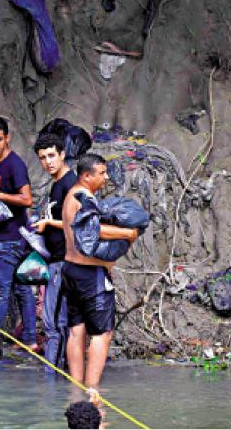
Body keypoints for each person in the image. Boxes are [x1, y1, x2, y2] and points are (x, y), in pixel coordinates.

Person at [62, 154, 138, 390]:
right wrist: (127, 234)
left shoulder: (71, 196)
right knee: (101, 333)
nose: (106, 177)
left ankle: (76, 390)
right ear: (87, 176)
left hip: (71, 270)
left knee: (77, 331)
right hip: (90, 274)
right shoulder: (83, 197)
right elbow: (94, 231)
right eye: (102, 173)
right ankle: (92, 391)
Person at [0, 116, 37, 357]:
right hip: (11, 234)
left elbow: (27, 199)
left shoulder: (14, 164)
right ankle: (30, 340)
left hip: (12, 237)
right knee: (22, 289)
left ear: (8, 138)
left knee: (1, 290)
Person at [32, 133, 77, 370]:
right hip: (55, 261)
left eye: (51, 156)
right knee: (56, 322)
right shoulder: (57, 184)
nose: (48, 162)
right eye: (42, 158)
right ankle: (59, 375)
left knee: (54, 323)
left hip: (65, 262)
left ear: (62, 155)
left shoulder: (70, 184)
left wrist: (49, 224)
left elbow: (78, 221)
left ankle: (53, 377)